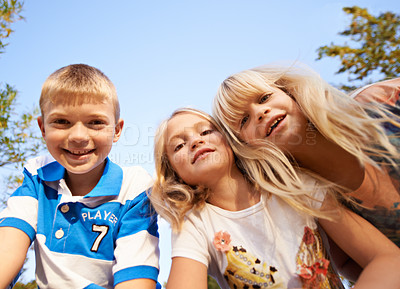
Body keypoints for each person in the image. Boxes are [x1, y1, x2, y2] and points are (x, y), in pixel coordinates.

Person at [150, 107, 400, 289]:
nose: (195, 141)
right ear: (174, 173)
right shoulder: (195, 223)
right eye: (179, 146)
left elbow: (389, 259)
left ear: (229, 141)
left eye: (206, 130)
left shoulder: (292, 184)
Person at [0, 64, 161, 289]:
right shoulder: (38, 175)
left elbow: (136, 281)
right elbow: (7, 249)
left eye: (95, 122)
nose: (78, 136)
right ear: (43, 128)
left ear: (116, 130)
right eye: (62, 122)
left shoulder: (133, 188)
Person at [213, 64, 400, 250]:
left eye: (264, 98)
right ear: (245, 145)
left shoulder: (384, 101)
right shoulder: (305, 204)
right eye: (244, 120)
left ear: (290, 93)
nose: (260, 113)